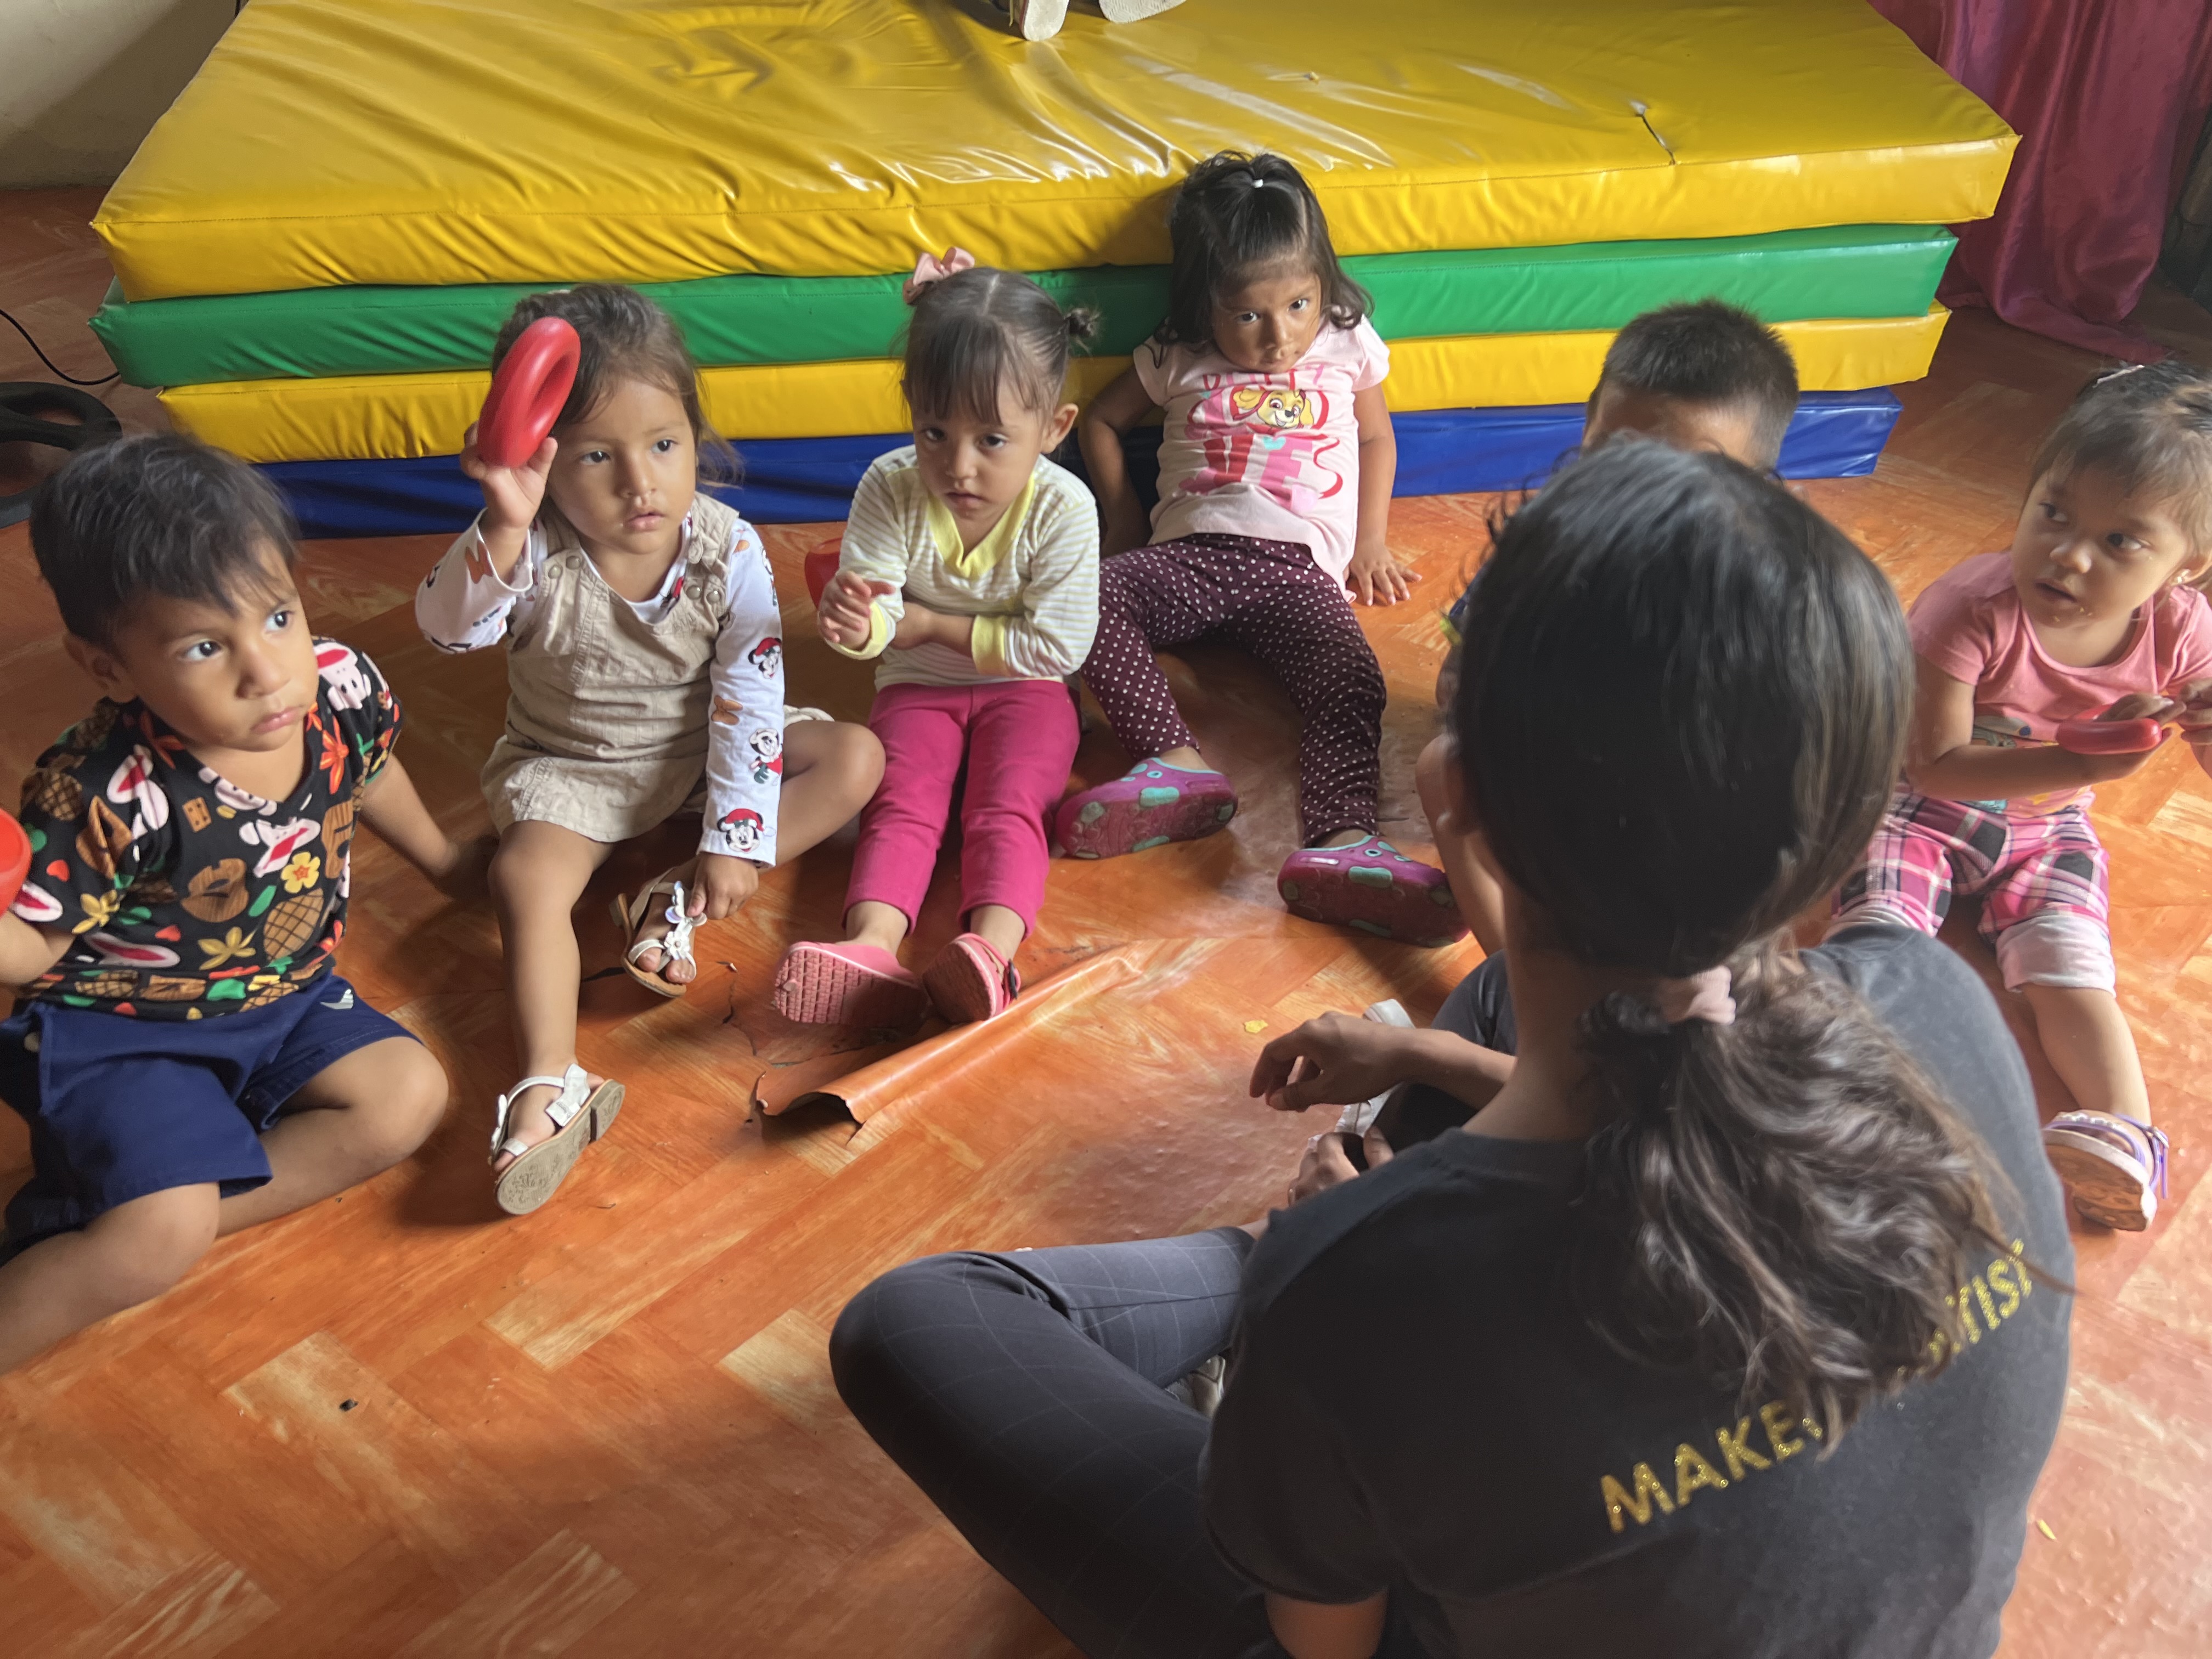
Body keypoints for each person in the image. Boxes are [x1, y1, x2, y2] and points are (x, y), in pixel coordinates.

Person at [830, 442, 2072, 1659]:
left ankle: (1267, 1326)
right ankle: (1306, 1341)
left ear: (1456, 793)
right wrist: (1418, 1095)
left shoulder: (1360, 1282)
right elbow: (1682, 1109)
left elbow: (1324, 1650)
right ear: (1849, 823)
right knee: (1487, 1014)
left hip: (1371, 1394)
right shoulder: (1941, 1006)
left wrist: (1322, 1282)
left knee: (916, 1319)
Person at [415, 284, 883, 1212]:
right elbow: (446, 629)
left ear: (694, 436)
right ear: (542, 459)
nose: (641, 484)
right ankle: (550, 1079)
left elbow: (751, 696)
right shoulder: (532, 543)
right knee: (524, 879)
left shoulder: (728, 547)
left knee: (856, 758)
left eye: (664, 445)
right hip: (571, 764)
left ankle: (672, 895)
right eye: (597, 456)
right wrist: (503, 521)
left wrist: (735, 838)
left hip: (702, 747)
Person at [0, 435, 462, 1374]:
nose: (267, 671)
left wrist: (451, 863)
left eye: (278, 616)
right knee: (153, 1238)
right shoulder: (101, 790)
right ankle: (133, 1231)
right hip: (122, 1032)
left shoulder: (338, 686)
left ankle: (146, 1215)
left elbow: (369, 773)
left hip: (281, 992)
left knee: (407, 1099)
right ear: (108, 667)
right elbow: (30, 952)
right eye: (205, 647)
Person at [1832, 361, 2212, 1231]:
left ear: (2187, 568)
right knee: (1881, 938)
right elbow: (1937, 767)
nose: (2069, 554)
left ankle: (2126, 1135)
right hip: (1918, 811)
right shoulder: (1969, 606)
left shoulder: (2184, 632)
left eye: (2122, 541)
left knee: (2073, 972)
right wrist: (2083, 761)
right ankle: (1844, 1096)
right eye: (2054, 512)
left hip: (2051, 834)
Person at [1061, 150, 1460, 947]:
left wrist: (1370, 542)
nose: (1279, 337)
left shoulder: (1345, 341)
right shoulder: (1178, 350)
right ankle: (1174, 764)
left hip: (1298, 569)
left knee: (1351, 682)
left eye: (1299, 305)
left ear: (1323, 289)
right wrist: (1124, 520)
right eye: (1248, 316)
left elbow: (1376, 437)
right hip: (1195, 552)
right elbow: (1101, 422)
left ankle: (1344, 842)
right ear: (1205, 303)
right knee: (1082, 598)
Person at [775, 258, 1100, 1026]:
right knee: (902, 804)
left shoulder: (1065, 508)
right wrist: (861, 628)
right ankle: (872, 944)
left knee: (1009, 806)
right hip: (917, 686)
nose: (959, 466)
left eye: (993, 440)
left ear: (1054, 429)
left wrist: (930, 626)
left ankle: (990, 952)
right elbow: (880, 614)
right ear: (912, 410)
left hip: (1029, 691)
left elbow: (1057, 649)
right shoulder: (889, 485)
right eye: (934, 432)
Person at [1419, 299, 1801, 951]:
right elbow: (1459, 675)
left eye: (1684, 475)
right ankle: (1515, 974)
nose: (1635, 493)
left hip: (1683, 790)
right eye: (1613, 456)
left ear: (1759, 484)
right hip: (1552, 751)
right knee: (1441, 768)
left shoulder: (1765, 578)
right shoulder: (1545, 534)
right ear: (1588, 424)